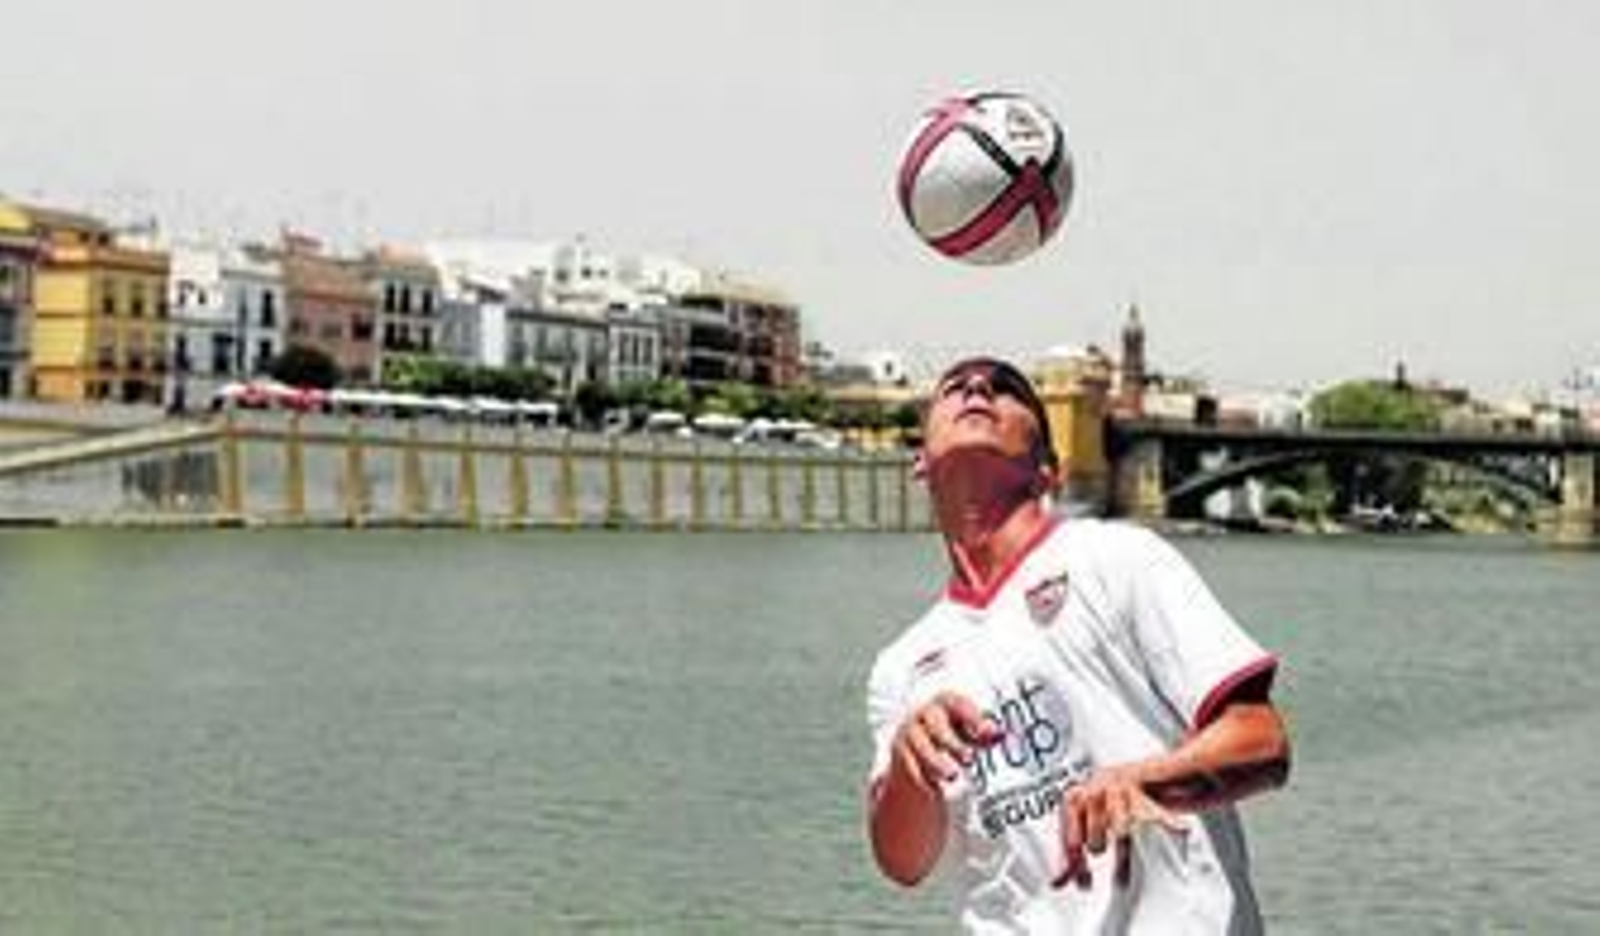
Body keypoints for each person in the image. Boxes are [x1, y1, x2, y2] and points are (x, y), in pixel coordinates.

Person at [865, 356, 1290, 934]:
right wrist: (909, 765)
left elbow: (1261, 741)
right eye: (953, 387)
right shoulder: (903, 666)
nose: (977, 387)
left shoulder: (1117, 559)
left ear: (1047, 469)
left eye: (1007, 389)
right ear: (920, 462)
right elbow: (903, 862)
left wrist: (1144, 779)